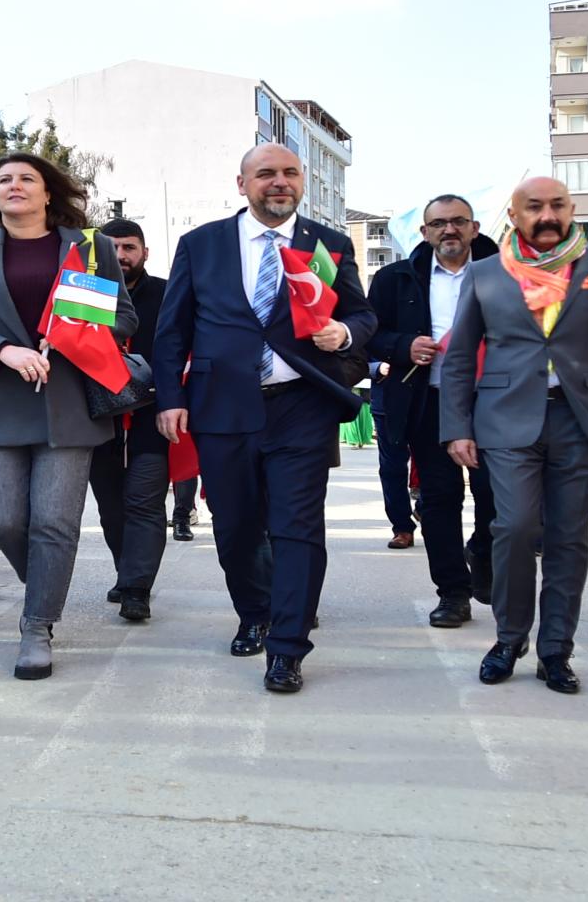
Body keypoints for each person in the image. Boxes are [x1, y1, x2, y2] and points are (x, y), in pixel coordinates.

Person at [153, 143, 374, 694]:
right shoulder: (201, 245)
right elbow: (172, 330)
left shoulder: (329, 245)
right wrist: (170, 399)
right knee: (236, 524)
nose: (280, 182)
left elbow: (363, 314)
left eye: (290, 173)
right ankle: (255, 612)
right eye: (267, 174)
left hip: (301, 406)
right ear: (242, 183)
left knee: (297, 528)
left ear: (301, 183)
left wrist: (344, 333)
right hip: (221, 406)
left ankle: (288, 648)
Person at [440, 177, 588, 695]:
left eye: (557, 205)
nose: (547, 215)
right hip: (505, 419)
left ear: (571, 210)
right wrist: (456, 427)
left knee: (567, 537)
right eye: (533, 207)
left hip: (583, 420)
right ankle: (509, 637)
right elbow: (457, 359)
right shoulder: (485, 273)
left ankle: (556, 650)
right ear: (514, 216)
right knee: (514, 528)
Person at [0, 153, 136, 680]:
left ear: (49, 193)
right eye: (3, 180)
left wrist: (75, 333)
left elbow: (125, 318)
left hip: (68, 401)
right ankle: (46, 580)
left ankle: (36, 624)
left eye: (27, 178)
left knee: (54, 521)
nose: (14, 186)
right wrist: (2, 350)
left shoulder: (91, 249)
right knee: (6, 519)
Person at [367, 194, 500, 628]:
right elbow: (370, 334)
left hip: (494, 401)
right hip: (428, 401)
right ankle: (453, 592)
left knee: (496, 497)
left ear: (474, 228)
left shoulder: (507, 274)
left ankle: (482, 551)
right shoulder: (394, 280)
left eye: (459, 221)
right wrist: (403, 346)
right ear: (424, 232)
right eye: (439, 223)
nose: (450, 230)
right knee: (440, 499)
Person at [88, 217, 171, 621]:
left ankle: (138, 587)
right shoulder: (83, 293)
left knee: (145, 502)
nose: (121, 255)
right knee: (110, 506)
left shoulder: (168, 294)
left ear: (144, 252)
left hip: (152, 415)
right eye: (113, 248)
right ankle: (126, 572)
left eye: (129, 248)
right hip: (97, 416)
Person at [369, 361, 418, 550]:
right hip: (386, 404)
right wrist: (377, 367)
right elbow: (354, 358)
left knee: (434, 465)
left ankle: (424, 508)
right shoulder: (376, 329)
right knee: (392, 468)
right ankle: (402, 527)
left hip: (429, 401)